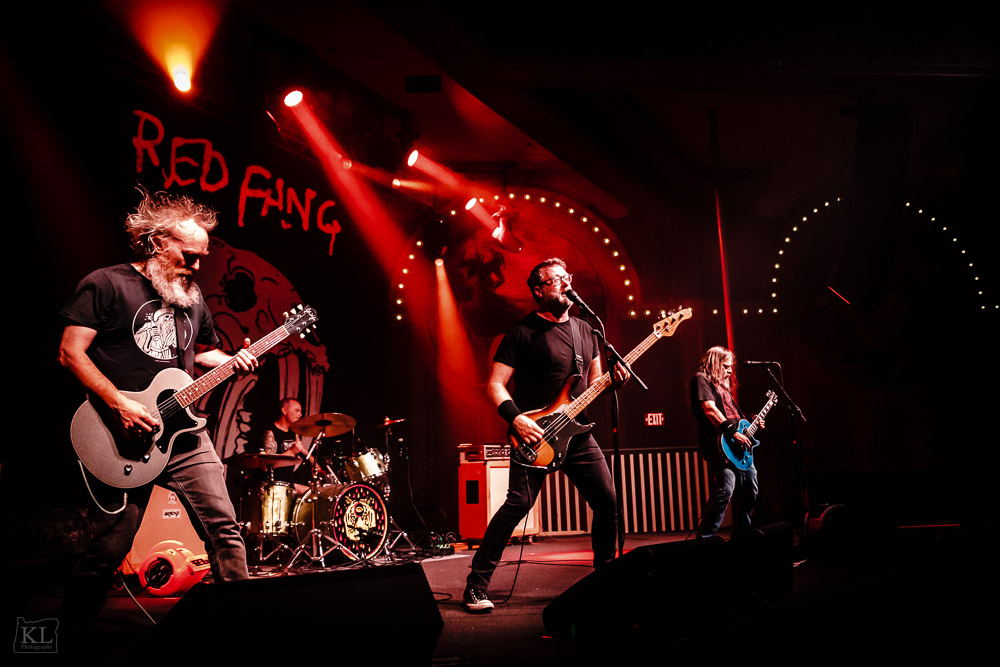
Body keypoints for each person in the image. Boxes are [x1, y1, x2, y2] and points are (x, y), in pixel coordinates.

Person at [58, 190, 257, 624]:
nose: (198, 266)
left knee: (225, 529)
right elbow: (71, 352)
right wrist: (119, 405)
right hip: (119, 434)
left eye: (202, 256)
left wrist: (232, 361)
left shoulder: (192, 296)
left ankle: (242, 633)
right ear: (157, 243)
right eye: (190, 255)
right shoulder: (106, 284)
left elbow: (199, 353)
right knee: (110, 547)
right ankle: (64, 641)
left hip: (182, 434)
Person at [464, 258, 628, 613]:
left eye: (568, 277)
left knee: (607, 501)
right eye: (556, 280)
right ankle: (475, 586)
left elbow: (593, 384)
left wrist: (613, 381)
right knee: (517, 505)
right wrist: (516, 418)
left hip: (578, 433)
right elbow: (494, 385)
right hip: (535, 433)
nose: (565, 283)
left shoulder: (587, 329)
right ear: (538, 290)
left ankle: (604, 578)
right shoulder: (522, 333)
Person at [690, 346, 759, 538]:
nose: (730, 370)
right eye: (726, 366)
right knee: (725, 491)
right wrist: (731, 432)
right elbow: (710, 410)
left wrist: (750, 422)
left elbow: (732, 416)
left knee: (749, 492)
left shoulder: (725, 387)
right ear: (715, 363)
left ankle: (741, 539)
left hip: (739, 449)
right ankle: (704, 540)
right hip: (721, 447)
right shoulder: (701, 379)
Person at [259, 397, 315, 494]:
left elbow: (301, 449)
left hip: (289, 483)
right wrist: (292, 452)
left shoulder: (294, 433)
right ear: (284, 411)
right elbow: (267, 465)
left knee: (315, 494)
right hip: (273, 485)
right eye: (297, 410)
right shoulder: (270, 433)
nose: (300, 414)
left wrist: (316, 465)